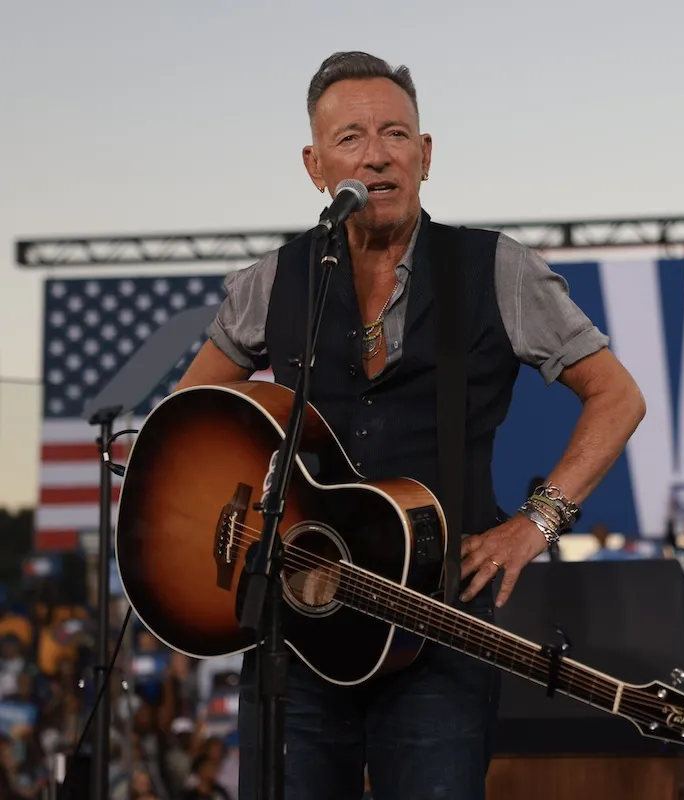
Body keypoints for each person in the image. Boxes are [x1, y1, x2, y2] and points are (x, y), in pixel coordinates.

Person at [173, 51, 646, 799]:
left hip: (439, 630)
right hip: (295, 630)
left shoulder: (498, 268)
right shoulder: (276, 278)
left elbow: (618, 397)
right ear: (315, 164)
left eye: (396, 134)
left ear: (426, 155)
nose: (378, 154)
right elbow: (187, 421)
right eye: (352, 137)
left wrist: (536, 523)